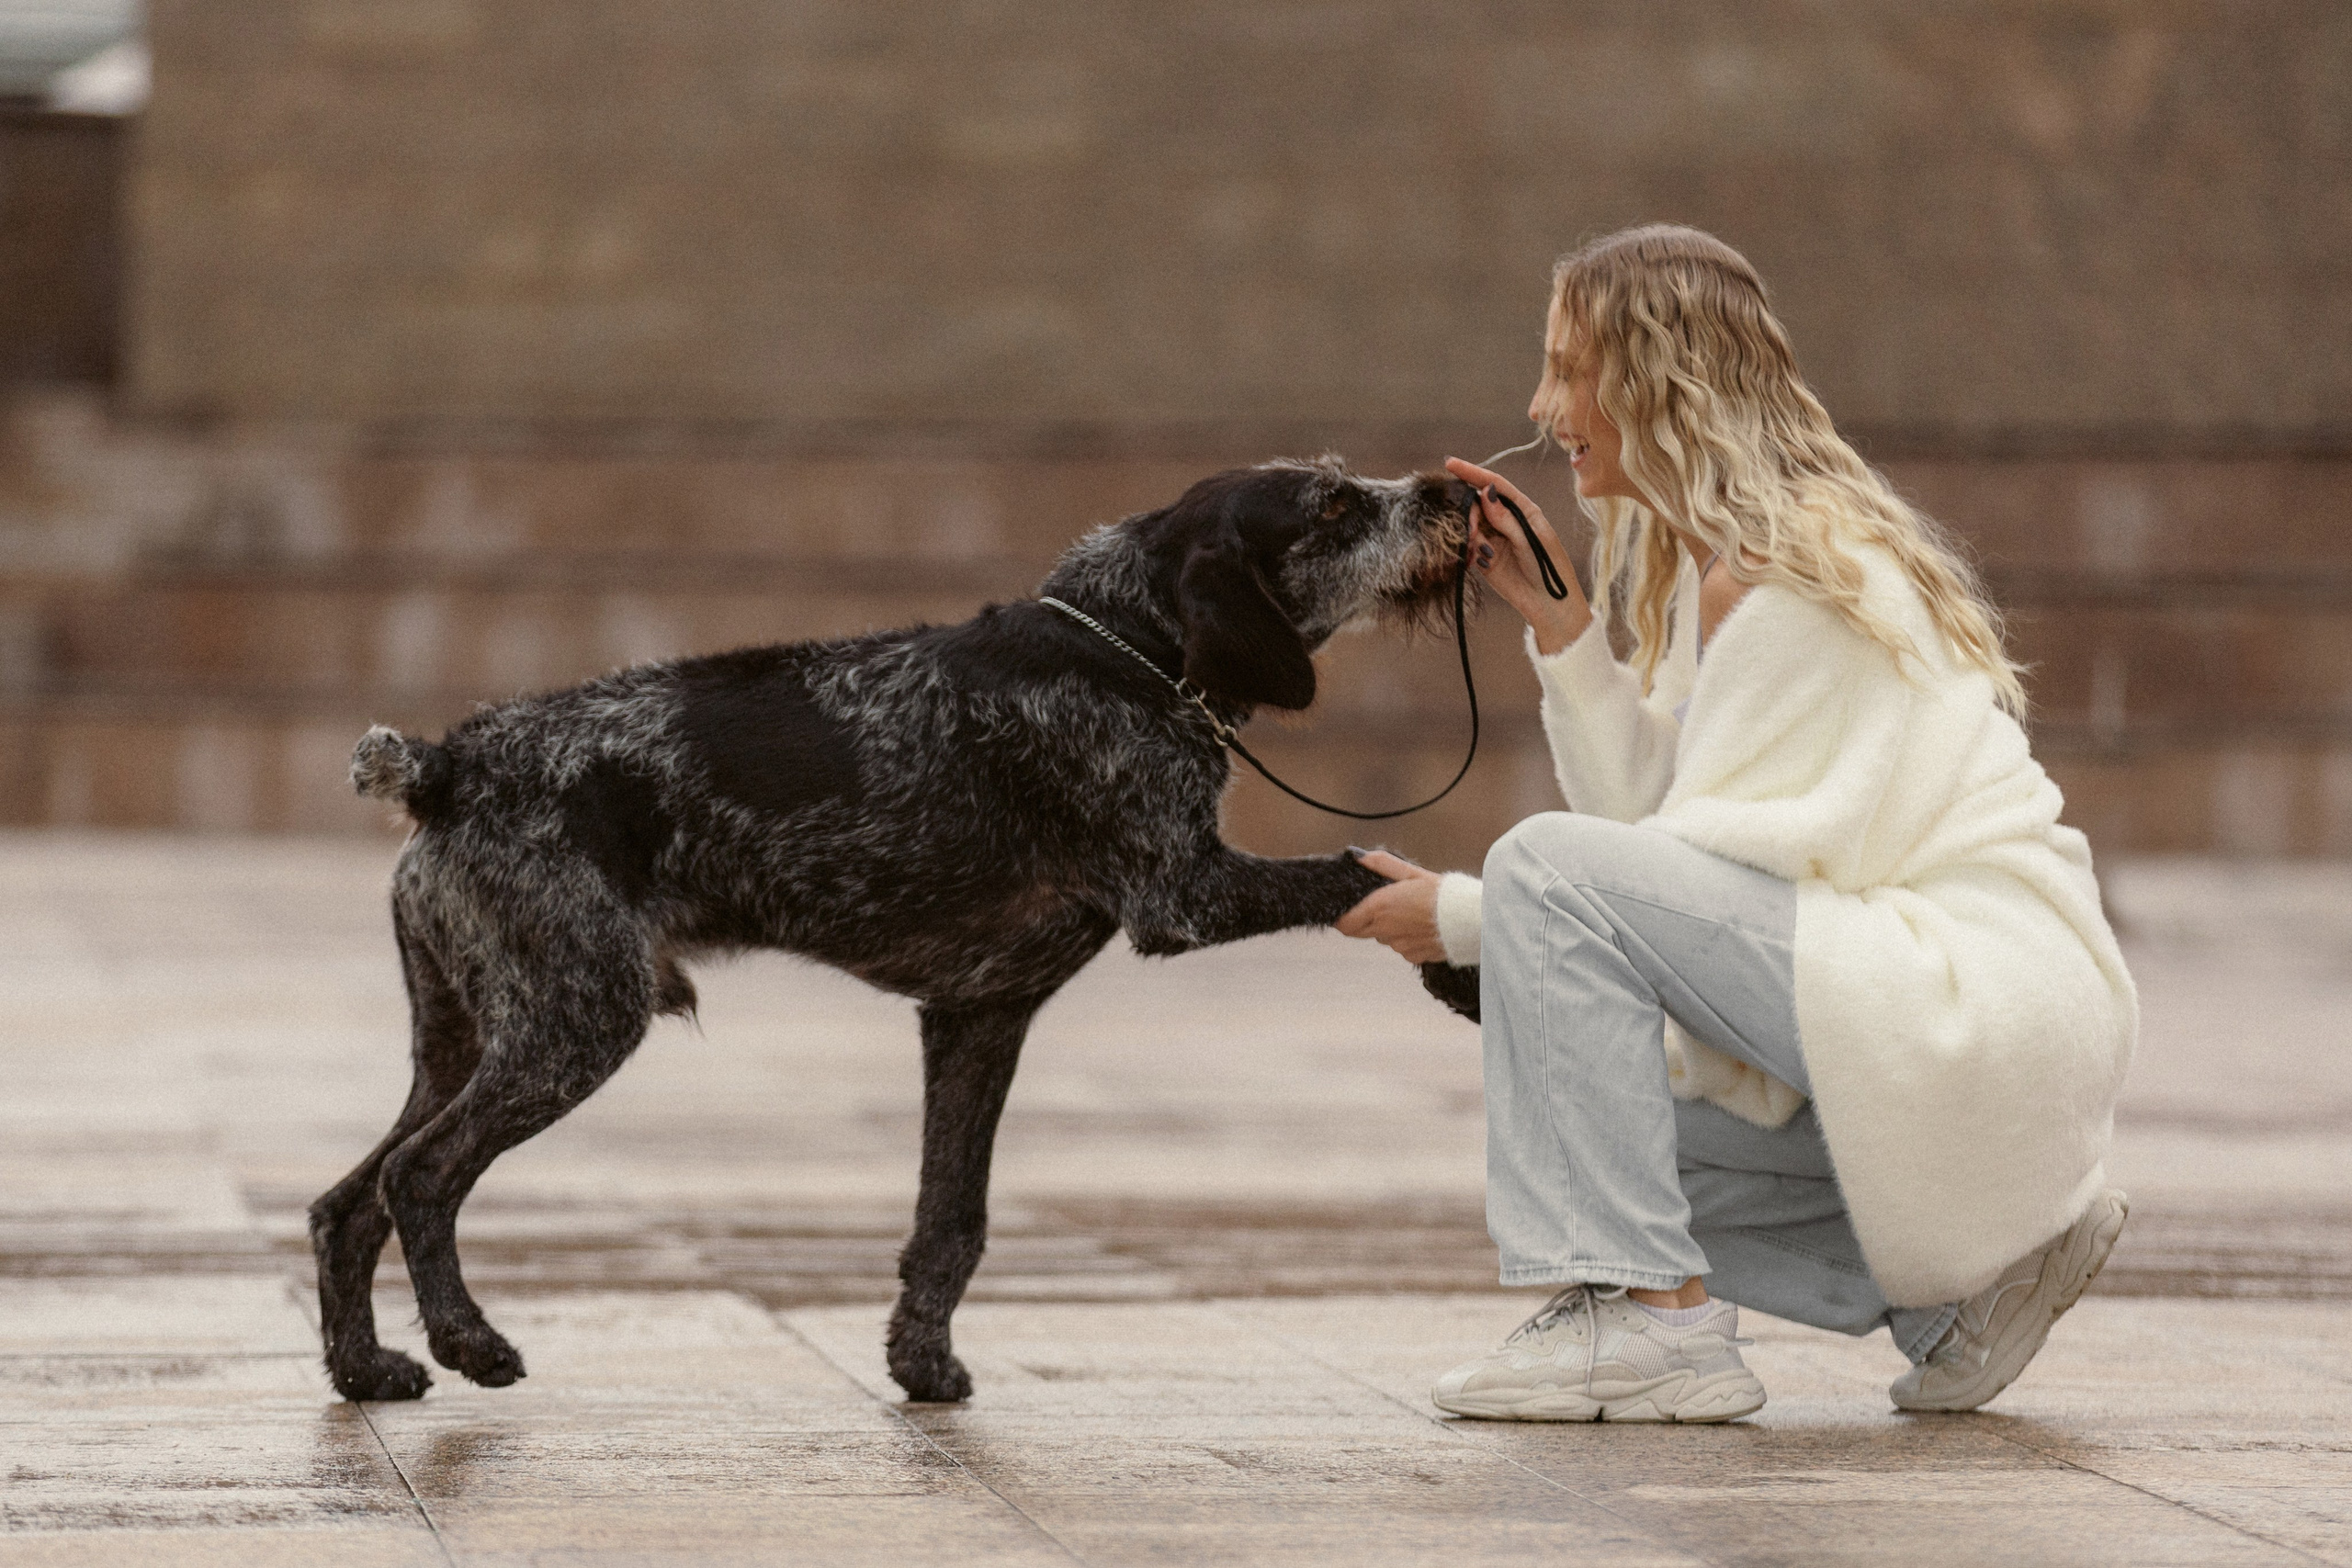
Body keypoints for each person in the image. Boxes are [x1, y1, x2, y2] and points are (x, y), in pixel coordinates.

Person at [1337, 224, 2135, 1423]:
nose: (1541, 401)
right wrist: (1566, 632)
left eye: (1569, 369)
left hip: (1969, 990)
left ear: (1657, 380)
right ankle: (1973, 1289)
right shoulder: (1739, 557)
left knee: (1542, 878)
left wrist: (1463, 918)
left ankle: (1647, 1324)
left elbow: (1665, 873)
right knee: (1594, 1114)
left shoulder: (1781, 569)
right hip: (1942, 1010)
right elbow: (1669, 879)